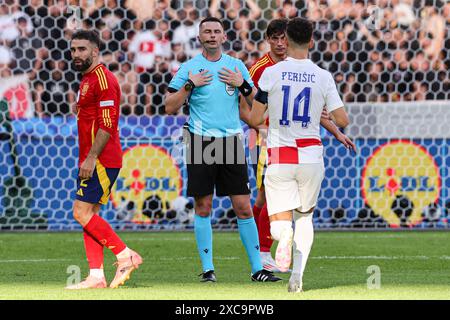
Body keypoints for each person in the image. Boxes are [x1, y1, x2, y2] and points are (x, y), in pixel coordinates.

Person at [165, 17, 281, 283]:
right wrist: (190, 84)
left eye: (217, 31)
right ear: (199, 37)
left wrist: (242, 84)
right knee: (203, 206)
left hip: (230, 142)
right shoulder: (189, 68)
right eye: (207, 31)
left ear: (224, 37)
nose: (212, 35)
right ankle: (208, 270)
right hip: (200, 142)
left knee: (243, 207)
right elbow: (170, 106)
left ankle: (257, 269)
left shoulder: (236, 66)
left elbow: (256, 101)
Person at [241, 18, 355, 273]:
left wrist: (335, 132)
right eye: (275, 38)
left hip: (281, 146)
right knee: (283, 203)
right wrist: (261, 129)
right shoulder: (265, 69)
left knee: (269, 196)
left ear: (290, 40)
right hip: (283, 144)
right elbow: (244, 106)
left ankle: (265, 247)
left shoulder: (276, 73)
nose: (280, 43)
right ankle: (263, 249)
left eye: (284, 38)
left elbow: (314, 113)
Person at [66, 30, 142, 290]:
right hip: (91, 158)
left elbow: (107, 125)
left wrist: (90, 158)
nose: (76, 54)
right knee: (90, 214)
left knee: (80, 212)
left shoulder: (104, 80)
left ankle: (125, 255)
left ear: (95, 51)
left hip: (100, 159)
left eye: (82, 49)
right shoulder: (87, 78)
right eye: (74, 49)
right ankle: (96, 276)